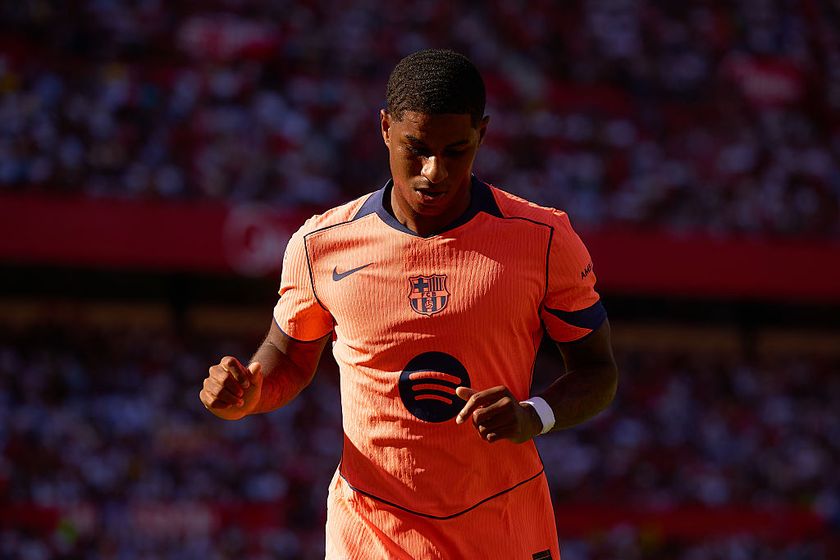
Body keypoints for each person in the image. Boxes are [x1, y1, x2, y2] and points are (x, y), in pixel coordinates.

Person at [200, 49, 618, 559]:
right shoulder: (320, 244)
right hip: (372, 527)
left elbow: (598, 372)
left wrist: (536, 414)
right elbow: (287, 356)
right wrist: (251, 392)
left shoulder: (543, 238)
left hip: (504, 521)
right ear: (384, 129)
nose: (433, 171)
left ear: (482, 135)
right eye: (415, 149)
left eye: (456, 150)